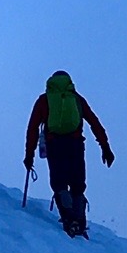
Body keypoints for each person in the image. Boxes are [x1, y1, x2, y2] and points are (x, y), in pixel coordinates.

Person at [24, 71, 113, 237]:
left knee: (59, 184)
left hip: (54, 145)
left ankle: (69, 218)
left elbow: (33, 129)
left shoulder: (44, 100)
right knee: (77, 184)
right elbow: (94, 122)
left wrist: (29, 155)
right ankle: (80, 220)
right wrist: (105, 147)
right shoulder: (77, 99)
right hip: (76, 145)